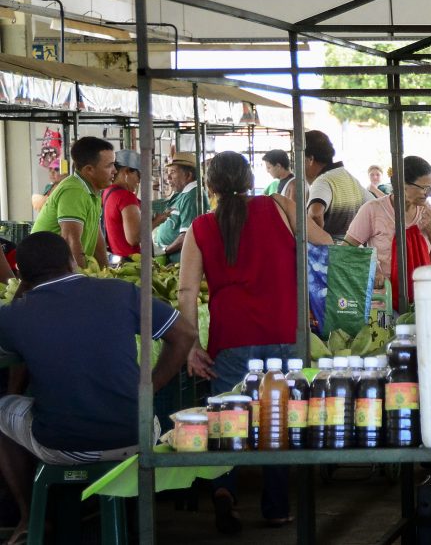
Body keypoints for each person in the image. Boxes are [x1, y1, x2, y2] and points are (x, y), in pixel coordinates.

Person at [0, 232, 193, 544]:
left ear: (21, 275)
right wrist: (149, 388)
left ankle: (29, 517)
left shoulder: (14, 315)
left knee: (3, 409)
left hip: (66, 446)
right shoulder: (120, 291)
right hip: (140, 434)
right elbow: (185, 334)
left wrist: (24, 290)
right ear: (72, 261)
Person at [179, 151, 311, 533]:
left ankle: (224, 490)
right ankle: (276, 507)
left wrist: (191, 345)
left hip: (231, 334)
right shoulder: (279, 207)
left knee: (228, 419)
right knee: (277, 418)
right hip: (283, 328)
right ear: (251, 180)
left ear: (210, 186)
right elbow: (322, 242)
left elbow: (187, 291)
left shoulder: (200, 227)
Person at [345, 156, 431, 306]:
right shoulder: (373, 210)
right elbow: (346, 250)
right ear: (402, 184)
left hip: (421, 302)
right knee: (387, 322)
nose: (430, 194)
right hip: (383, 303)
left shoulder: (427, 211)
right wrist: (371, 269)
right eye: (424, 188)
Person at [31, 136, 115, 270]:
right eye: (109, 166)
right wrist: (80, 278)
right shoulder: (74, 191)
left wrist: (106, 271)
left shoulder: (92, 191)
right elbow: (70, 240)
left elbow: (96, 235)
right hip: (46, 272)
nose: (114, 170)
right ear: (89, 170)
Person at [303, 130, 373, 242]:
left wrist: (320, 240)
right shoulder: (349, 177)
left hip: (332, 250)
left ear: (310, 159)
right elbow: (373, 204)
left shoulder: (322, 181)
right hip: (353, 248)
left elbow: (315, 214)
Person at [153, 153, 206, 263]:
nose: (168, 178)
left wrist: (164, 251)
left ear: (188, 175)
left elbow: (187, 236)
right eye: (168, 173)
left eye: (173, 172)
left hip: (179, 262)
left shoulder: (192, 196)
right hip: (170, 260)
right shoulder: (182, 194)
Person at [102, 149, 144, 259]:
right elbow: (134, 238)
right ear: (126, 172)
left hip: (116, 257)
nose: (138, 181)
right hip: (132, 261)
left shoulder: (108, 192)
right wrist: (157, 221)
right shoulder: (126, 196)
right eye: (138, 175)